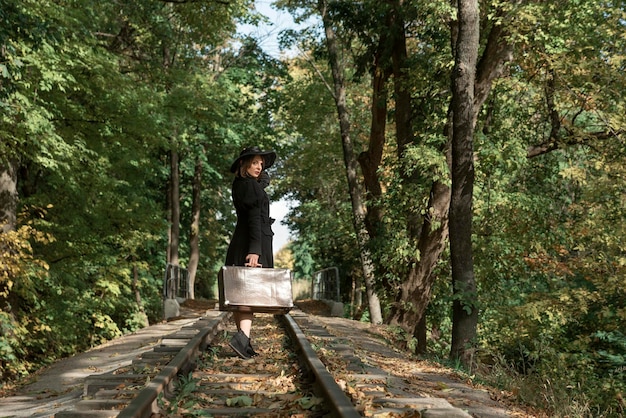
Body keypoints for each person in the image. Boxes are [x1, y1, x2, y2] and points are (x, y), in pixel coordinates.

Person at [225, 146, 276, 359]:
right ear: (244, 164)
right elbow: (254, 219)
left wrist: (260, 183)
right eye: (254, 162)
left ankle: (243, 342)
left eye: (261, 164)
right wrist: (255, 251)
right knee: (248, 295)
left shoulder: (242, 185)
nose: (259, 166)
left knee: (242, 294)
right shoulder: (251, 188)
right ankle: (242, 340)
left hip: (243, 241)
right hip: (251, 244)